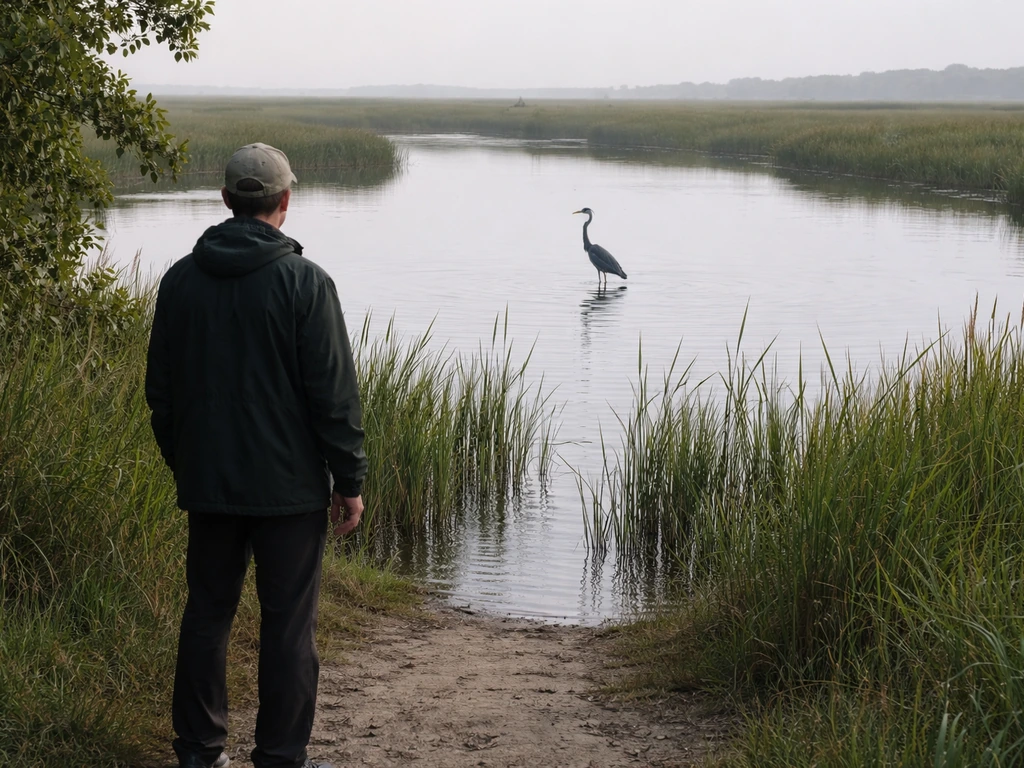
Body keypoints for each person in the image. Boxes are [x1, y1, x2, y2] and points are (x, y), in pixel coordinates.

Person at [146, 142, 366, 768]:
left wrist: (186, 461)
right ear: (285, 203)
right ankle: (279, 758)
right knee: (288, 627)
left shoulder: (181, 280)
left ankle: (198, 754)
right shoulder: (306, 282)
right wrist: (348, 480)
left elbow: (159, 393)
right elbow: (334, 396)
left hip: (209, 483)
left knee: (207, 616)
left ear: (225, 200)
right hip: (290, 493)